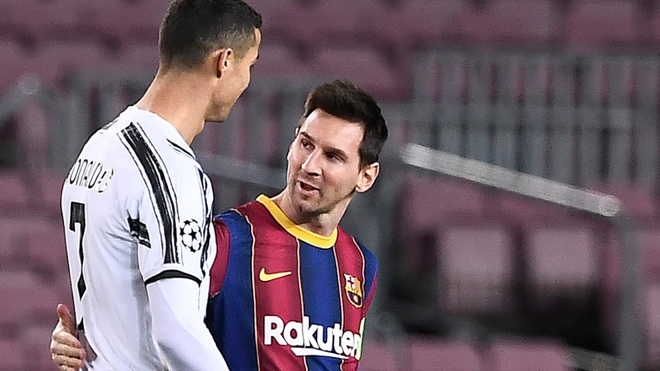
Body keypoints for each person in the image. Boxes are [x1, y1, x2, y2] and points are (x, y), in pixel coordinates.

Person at [51, 79, 389, 371]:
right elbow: (145, 312)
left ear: (366, 175)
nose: (310, 165)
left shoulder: (361, 266)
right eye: (305, 144)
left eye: (332, 156)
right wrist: (78, 339)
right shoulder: (227, 239)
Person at [57, 0, 262, 369]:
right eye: (250, 66)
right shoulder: (169, 169)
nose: (247, 82)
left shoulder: (100, 146)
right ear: (224, 61)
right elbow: (175, 330)